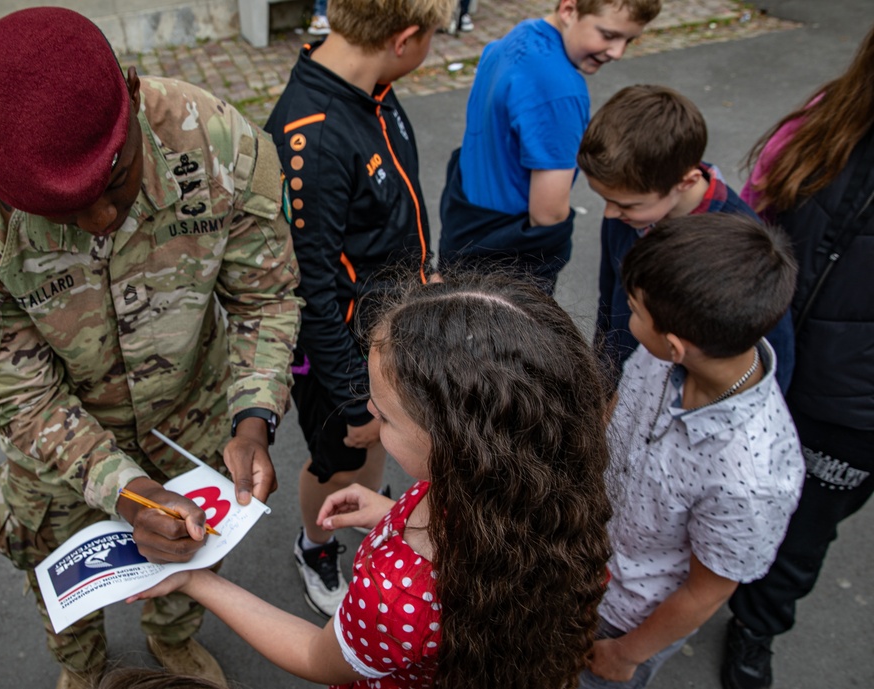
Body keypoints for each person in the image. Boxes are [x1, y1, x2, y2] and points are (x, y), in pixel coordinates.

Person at [0, 8, 301, 689]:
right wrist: (124, 490)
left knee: (190, 559)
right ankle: (82, 670)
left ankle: (173, 643)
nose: (101, 219)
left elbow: (264, 295)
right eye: (64, 213)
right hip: (59, 461)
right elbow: (22, 397)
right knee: (62, 581)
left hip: (194, 424)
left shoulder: (216, 144)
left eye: (113, 184)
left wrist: (253, 415)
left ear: (128, 92)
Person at [130, 271, 615, 689]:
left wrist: (196, 581)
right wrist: (392, 515)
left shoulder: (393, 598)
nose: (367, 411)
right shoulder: (541, 487)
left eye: (383, 416)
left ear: (451, 445)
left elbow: (316, 658)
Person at [263, 0, 447, 617]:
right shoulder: (311, 138)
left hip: (390, 330)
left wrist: (425, 277)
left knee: (372, 454)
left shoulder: (373, 87)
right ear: (405, 38)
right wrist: (353, 400)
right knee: (343, 454)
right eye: (433, 41)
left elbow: (393, 215)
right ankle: (314, 545)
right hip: (343, 355)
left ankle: (366, 491)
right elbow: (310, 290)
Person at [581, 214, 804, 689]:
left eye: (636, 310)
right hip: (580, 561)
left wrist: (625, 653)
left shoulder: (753, 478)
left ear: (676, 345)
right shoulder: (661, 353)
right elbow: (620, 408)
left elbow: (707, 591)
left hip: (622, 618)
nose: (628, 314)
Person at [721, 24, 874, 689]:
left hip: (854, 409)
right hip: (763, 366)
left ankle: (757, 624)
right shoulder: (822, 122)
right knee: (723, 491)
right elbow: (751, 221)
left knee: (804, 533)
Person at [576, 84, 795, 390]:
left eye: (627, 204)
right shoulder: (625, 214)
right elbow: (610, 307)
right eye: (605, 200)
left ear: (686, 181)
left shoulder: (742, 248)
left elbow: (774, 350)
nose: (610, 213)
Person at [438, 0, 661, 291]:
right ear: (569, 10)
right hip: (504, 257)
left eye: (629, 40)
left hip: (464, 226)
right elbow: (548, 214)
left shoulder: (517, 37)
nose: (617, 52)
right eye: (608, 35)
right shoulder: (560, 91)